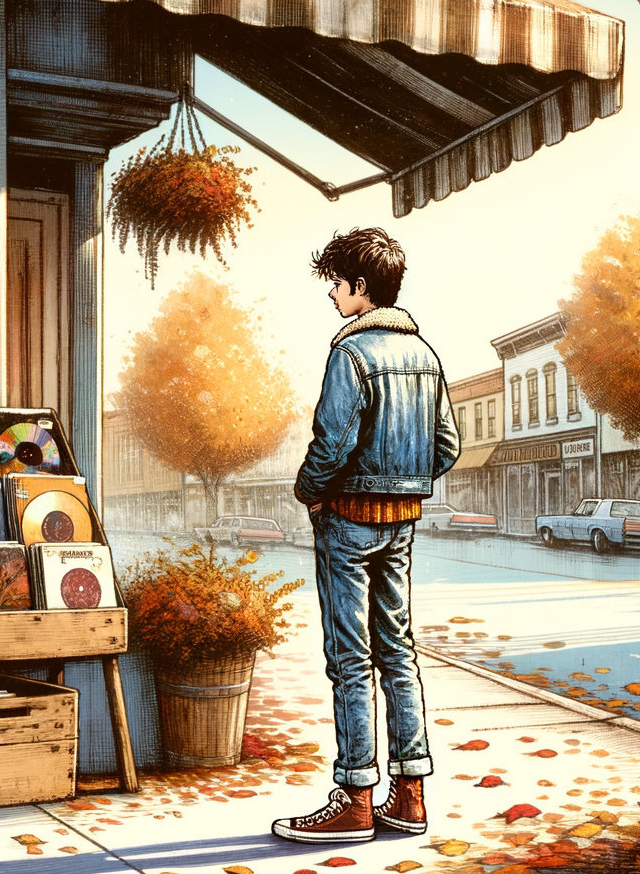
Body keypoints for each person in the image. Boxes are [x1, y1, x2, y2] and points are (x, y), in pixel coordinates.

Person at [272, 227, 460, 844]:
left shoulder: (350, 356)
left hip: (348, 520)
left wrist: (309, 489)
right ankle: (410, 797)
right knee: (399, 652)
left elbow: (331, 443)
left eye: (337, 282)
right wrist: (406, 482)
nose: (331, 294)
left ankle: (354, 798)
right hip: (402, 524)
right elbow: (449, 446)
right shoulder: (427, 357)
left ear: (361, 287)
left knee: (350, 658)